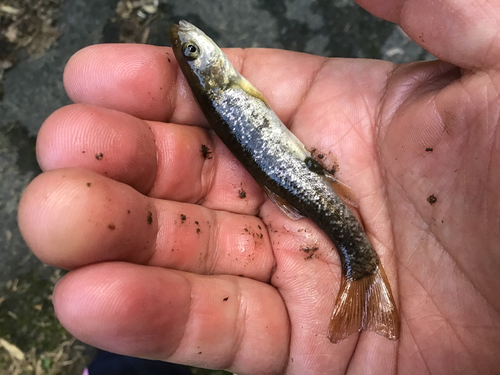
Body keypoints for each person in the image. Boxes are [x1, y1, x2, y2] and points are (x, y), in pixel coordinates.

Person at [18, 0, 500, 373]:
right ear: (205, 68)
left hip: (296, 179)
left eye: (190, 49)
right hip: (298, 180)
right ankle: (362, 270)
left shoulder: (222, 89)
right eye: (192, 52)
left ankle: (362, 272)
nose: (192, 42)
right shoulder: (221, 87)